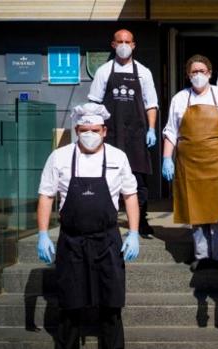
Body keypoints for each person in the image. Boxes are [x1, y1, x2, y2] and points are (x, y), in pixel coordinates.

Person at [36, 103, 140, 349]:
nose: (90, 135)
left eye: (95, 130)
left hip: (107, 240)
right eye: (84, 130)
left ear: (104, 131)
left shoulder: (118, 157)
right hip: (71, 241)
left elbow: (131, 195)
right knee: (70, 306)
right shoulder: (59, 157)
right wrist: (42, 233)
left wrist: (134, 232)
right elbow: (46, 196)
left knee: (111, 306)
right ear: (76, 129)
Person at [162, 54, 218, 271]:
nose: (198, 75)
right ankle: (201, 255)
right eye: (193, 72)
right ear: (188, 75)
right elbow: (171, 131)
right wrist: (166, 158)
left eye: (202, 71)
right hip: (189, 162)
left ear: (210, 73)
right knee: (195, 210)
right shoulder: (180, 99)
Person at [88, 29, 159, 239]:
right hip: (110, 134)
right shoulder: (104, 71)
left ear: (134, 45)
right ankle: (106, 219)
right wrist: (94, 131)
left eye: (128, 41)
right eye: (120, 41)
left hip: (137, 135)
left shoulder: (144, 72)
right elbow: (94, 103)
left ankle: (140, 220)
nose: (124, 45)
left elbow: (151, 104)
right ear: (113, 44)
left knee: (139, 181)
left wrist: (152, 129)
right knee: (107, 177)